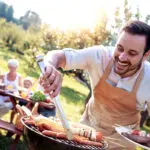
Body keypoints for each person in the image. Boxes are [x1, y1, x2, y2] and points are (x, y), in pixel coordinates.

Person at [40, 20, 150, 150]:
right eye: (119, 48)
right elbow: (57, 55)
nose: (122, 57)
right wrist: (50, 66)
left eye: (132, 53)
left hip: (122, 143)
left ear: (145, 55)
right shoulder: (100, 56)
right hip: (87, 131)